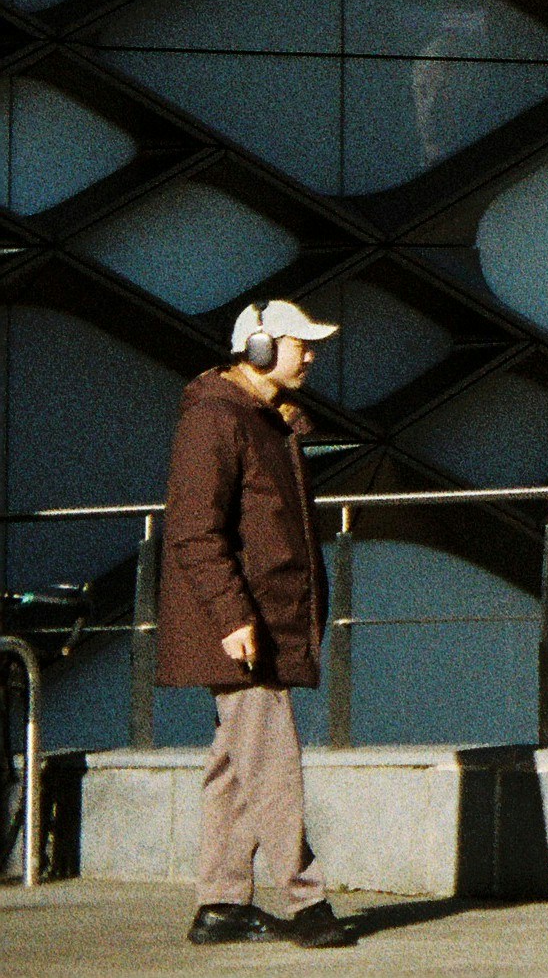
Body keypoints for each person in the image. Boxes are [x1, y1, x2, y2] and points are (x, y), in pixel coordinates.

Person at [162, 298, 352, 950]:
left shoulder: (264, 419)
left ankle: (220, 903)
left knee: (235, 763)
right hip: (243, 627)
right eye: (302, 342)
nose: (312, 354)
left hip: (267, 619)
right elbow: (193, 530)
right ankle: (307, 901)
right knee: (272, 760)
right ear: (263, 346)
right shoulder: (215, 418)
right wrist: (233, 617)